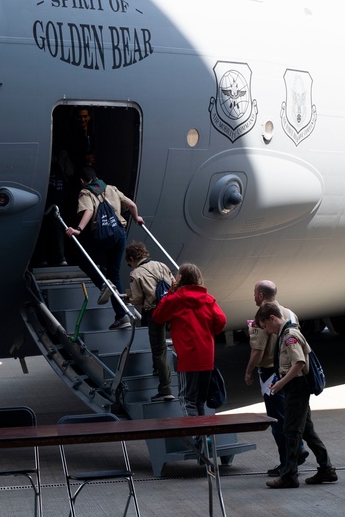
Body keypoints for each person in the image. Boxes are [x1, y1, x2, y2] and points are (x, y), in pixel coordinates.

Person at [254, 302, 336, 488]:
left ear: (272, 318)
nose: (266, 330)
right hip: (295, 387)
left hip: (297, 389)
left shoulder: (289, 336)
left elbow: (298, 362)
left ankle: (289, 475)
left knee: (291, 431)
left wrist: (282, 383)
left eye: (265, 325)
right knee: (307, 431)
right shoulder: (285, 334)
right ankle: (327, 469)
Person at [65, 166, 143, 329]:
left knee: (83, 260)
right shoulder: (111, 188)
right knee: (114, 273)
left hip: (104, 234)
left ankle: (103, 285)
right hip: (120, 233)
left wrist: (78, 229)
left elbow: (88, 210)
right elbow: (132, 205)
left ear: (82, 181)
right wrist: (137, 218)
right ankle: (122, 316)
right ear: (96, 176)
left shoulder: (86, 192)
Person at [244, 281, 308, 477]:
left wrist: (248, 370)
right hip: (290, 374)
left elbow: (258, 350)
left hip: (271, 375)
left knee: (278, 421)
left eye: (255, 293)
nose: (254, 297)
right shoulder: (289, 313)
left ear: (261, 295)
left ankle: (287, 461)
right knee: (293, 418)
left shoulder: (261, 317)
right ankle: (300, 448)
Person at [152, 263, 226, 416]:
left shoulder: (176, 299)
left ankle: (196, 438)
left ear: (180, 278)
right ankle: (204, 436)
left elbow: (158, 317)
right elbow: (221, 320)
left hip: (187, 357)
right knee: (199, 401)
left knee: (187, 399)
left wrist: (171, 292)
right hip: (207, 356)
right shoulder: (208, 299)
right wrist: (209, 332)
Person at [125, 242, 175, 402]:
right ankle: (157, 370)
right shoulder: (161, 265)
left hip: (154, 312)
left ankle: (165, 388)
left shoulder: (136, 273)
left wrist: (128, 296)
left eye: (129, 262)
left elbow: (138, 299)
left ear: (132, 258)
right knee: (164, 346)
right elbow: (174, 285)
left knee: (159, 349)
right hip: (171, 307)